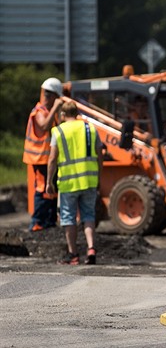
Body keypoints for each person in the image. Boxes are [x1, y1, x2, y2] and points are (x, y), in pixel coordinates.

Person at [46, 101, 103, 265]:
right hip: (89, 181)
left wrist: (49, 182)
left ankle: (73, 254)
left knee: (68, 218)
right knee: (89, 216)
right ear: (77, 113)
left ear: (62, 115)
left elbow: (52, 159)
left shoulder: (58, 131)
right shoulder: (90, 128)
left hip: (68, 183)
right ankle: (91, 248)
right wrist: (99, 177)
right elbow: (100, 156)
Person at [22, 77, 64, 231]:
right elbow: (44, 126)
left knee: (51, 190)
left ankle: (49, 221)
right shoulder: (39, 111)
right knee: (42, 189)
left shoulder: (48, 112)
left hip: (48, 159)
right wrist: (56, 108)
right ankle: (37, 222)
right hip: (39, 158)